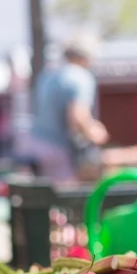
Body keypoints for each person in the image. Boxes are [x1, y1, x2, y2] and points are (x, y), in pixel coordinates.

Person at [26, 34, 109, 184]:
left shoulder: (48, 75)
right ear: (86, 57)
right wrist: (94, 132)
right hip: (58, 148)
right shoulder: (80, 77)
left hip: (35, 143)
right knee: (66, 198)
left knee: (44, 196)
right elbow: (78, 115)